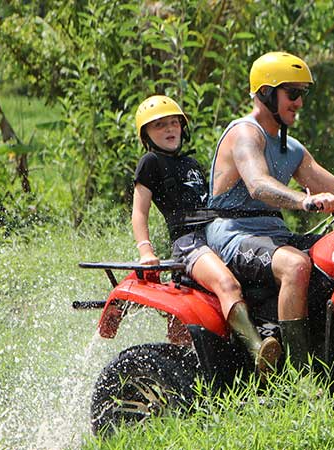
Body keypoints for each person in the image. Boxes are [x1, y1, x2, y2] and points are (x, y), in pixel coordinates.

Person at [206, 52, 334, 367]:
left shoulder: (292, 148)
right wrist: (303, 200)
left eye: (302, 94)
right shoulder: (244, 133)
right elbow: (258, 184)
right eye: (293, 94)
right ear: (266, 93)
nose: (299, 103)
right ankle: (299, 374)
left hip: (272, 234)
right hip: (233, 232)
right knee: (296, 265)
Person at [131, 94, 281, 376]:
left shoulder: (192, 163)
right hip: (189, 243)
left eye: (174, 123)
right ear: (146, 134)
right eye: (160, 125)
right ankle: (260, 355)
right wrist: (145, 251)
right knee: (228, 285)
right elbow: (139, 212)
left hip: (218, 234)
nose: (170, 129)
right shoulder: (150, 162)